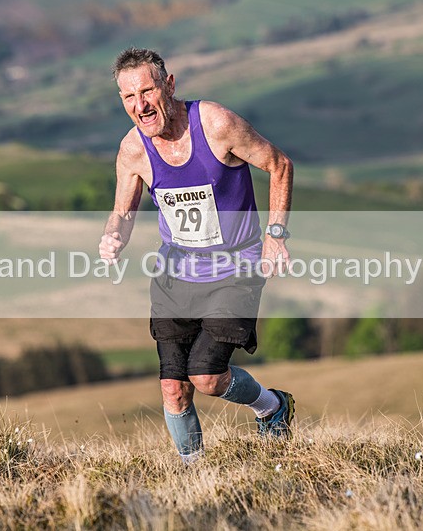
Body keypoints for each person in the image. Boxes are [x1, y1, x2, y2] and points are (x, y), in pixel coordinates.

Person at [99, 47, 295, 464]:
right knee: (173, 388)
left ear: (169, 86)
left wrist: (276, 235)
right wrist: (113, 236)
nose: (140, 105)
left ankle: (272, 407)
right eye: (129, 97)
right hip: (176, 276)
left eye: (148, 91)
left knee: (206, 376)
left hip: (235, 269)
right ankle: (195, 476)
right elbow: (123, 212)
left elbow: (279, 164)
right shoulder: (133, 150)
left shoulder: (216, 124)